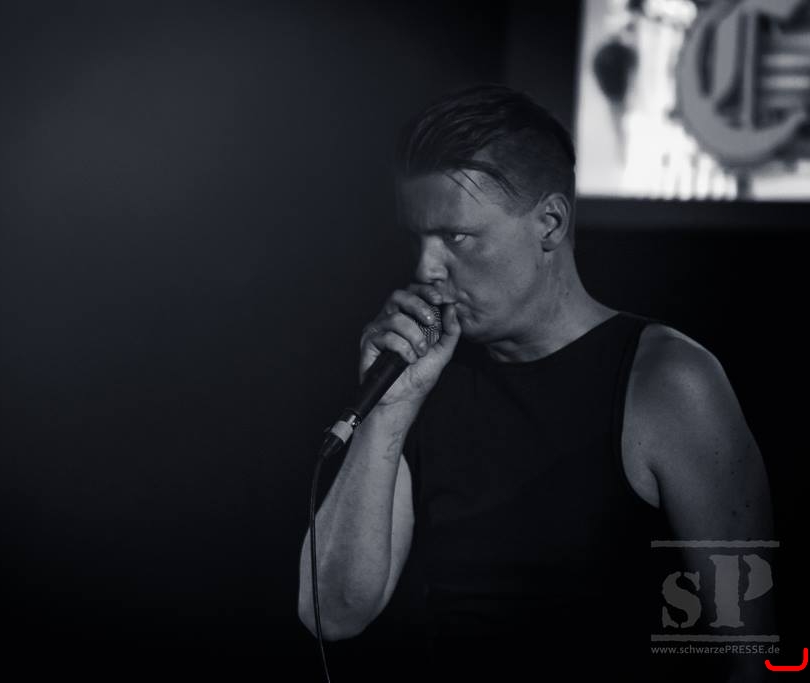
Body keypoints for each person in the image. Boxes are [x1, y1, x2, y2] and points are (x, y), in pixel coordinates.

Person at [297, 84, 774, 681]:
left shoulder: (668, 380)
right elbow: (332, 613)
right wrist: (388, 411)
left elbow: (750, 649)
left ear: (550, 223)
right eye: (417, 239)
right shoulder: (425, 381)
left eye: (456, 237)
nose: (425, 268)